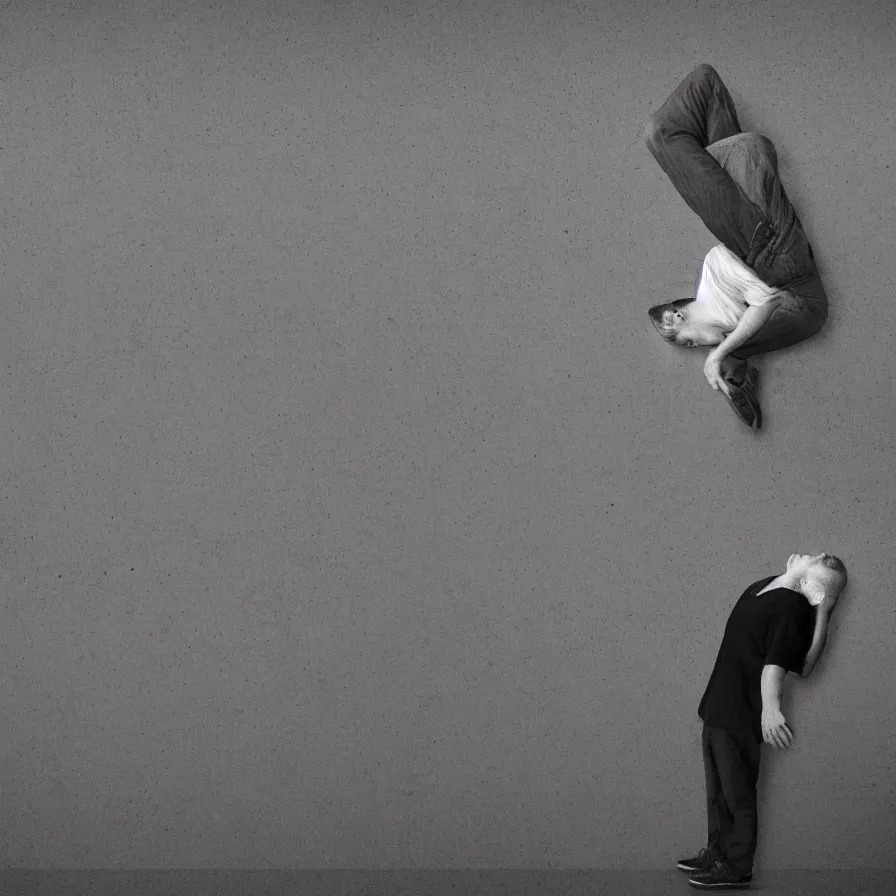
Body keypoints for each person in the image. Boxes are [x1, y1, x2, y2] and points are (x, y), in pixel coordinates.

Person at [643, 64, 828, 429]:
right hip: (790, 276)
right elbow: (769, 306)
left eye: (690, 344)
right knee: (702, 138)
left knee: (660, 133)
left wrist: (718, 356)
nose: (700, 349)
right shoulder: (736, 334)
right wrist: (726, 360)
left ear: (674, 318)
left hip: (764, 241)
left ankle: (732, 145)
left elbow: (767, 300)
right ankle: (737, 151)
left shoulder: (715, 268)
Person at [677, 552, 848, 890]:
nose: (807, 555)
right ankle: (717, 853)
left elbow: (781, 666)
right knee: (717, 794)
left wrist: (771, 708)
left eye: (812, 560)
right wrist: (796, 579)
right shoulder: (767, 587)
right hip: (717, 706)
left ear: (812, 587)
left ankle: (738, 868)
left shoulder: (792, 608)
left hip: (740, 714)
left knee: (737, 795)